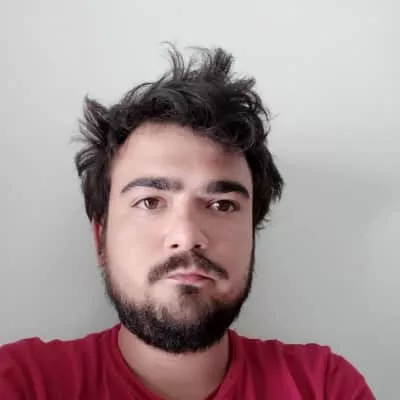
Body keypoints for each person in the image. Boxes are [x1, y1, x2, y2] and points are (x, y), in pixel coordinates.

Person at [0, 45, 374, 400]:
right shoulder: (21, 383)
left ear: (253, 235)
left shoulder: (323, 386)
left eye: (222, 205)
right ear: (100, 239)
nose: (187, 235)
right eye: (150, 201)